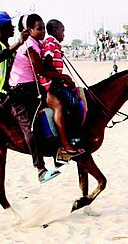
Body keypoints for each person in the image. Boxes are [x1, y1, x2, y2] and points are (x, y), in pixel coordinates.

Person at [9, 14, 60, 183]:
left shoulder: (37, 44)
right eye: (39, 29)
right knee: (30, 128)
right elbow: (40, 70)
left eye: (44, 28)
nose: (43, 32)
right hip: (20, 91)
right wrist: (64, 78)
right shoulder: (29, 45)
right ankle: (40, 169)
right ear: (29, 30)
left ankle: (59, 153)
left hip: (30, 88)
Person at [39, 19, 86, 161]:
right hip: (50, 83)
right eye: (62, 30)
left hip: (55, 82)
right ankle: (66, 142)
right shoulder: (50, 43)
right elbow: (47, 64)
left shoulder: (54, 44)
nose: (64, 34)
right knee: (69, 103)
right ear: (55, 30)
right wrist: (62, 78)